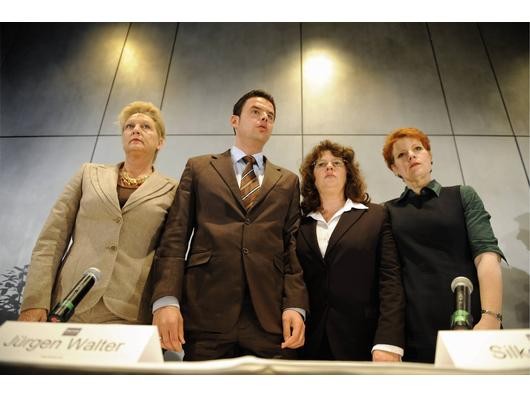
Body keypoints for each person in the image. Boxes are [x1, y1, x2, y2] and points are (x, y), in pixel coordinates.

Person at [151, 89, 309, 361]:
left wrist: (295, 305)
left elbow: (291, 248)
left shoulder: (288, 181)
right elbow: (175, 237)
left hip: (268, 316)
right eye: (256, 112)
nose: (264, 119)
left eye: (270, 116)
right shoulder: (199, 168)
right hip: (206, 309)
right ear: (234, 120)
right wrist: (166, 300)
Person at [18, 101, 177, 324]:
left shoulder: (172, 190)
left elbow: (171, 256)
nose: (136, 130)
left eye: (146, 126)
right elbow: (51, 240)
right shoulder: (88, 174)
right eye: (129, 126)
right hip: (68, 302)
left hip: (129, 311)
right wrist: (35, 301)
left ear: (161, 142)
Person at [382, 127, 505, 363]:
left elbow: (487, 256)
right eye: (401, 155)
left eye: (417, 148)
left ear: (429, 155)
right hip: (416, 328)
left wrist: (491, 317)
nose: (411, 155)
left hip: (473, 318)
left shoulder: (463, 195)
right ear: (394, 168)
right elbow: (389, 278)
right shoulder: (387, 211)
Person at [296, 140, 405, 362]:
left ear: (348, 173)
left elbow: (390, 281)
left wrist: (389, 340)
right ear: (312, 177)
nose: (329, 167)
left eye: (336, 163)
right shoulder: (299, 223)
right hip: (308, 344)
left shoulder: (375, 216)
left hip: (363, 341)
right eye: (321, 164)